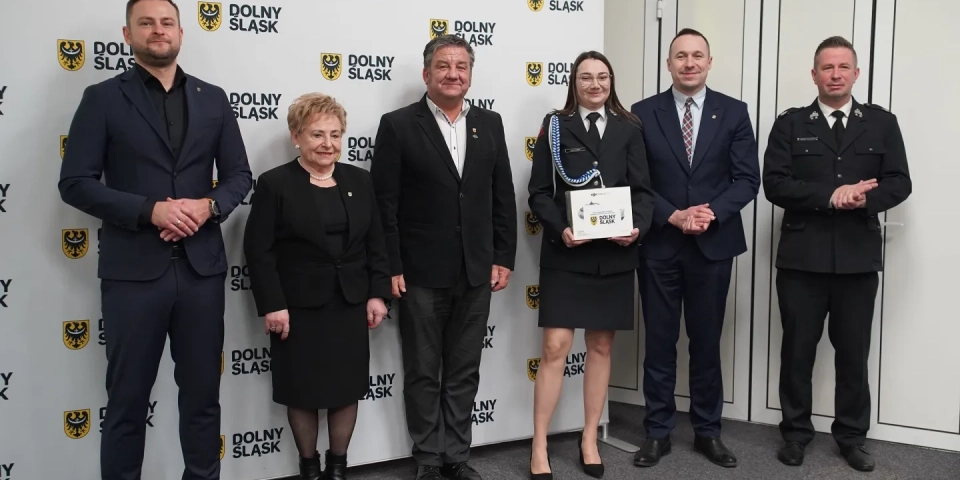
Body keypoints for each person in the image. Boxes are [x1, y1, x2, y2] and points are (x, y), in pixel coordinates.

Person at [57, 1, 253, 479]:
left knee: (203, 400)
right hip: (132, 274)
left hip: (201, 272)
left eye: (167, 23)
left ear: (182, 32)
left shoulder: (213, 99)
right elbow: (75, 183)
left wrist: (207, 206)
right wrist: (151, 210)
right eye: (146, 23)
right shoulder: (102, 98)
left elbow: (239, 176)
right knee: (126, 404)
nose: (158, 30)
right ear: (128, 34)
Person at [370, 34, 517, 480]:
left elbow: (502, 195)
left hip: (476, 270)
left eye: (461, 66)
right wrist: (391, 265)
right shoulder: (398, 125)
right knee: (422, 371)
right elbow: (384, 205)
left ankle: (456, 456)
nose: (453, 74)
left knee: (464, 370)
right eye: (443, 66)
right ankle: (428, 460)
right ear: (426, 73)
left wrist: (503, 256)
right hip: (418, 272)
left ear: (470, 74)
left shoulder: (489, 123)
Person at [762, 35, 911, 472]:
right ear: (814, 74)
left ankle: (851, 437)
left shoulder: (881, 123)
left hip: (857, 260)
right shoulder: (790, 124)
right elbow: (774, 184)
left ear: (856, 73)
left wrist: (863, 199)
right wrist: (831, 195)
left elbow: (899, 181)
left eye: (843, 67)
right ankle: (795, 434)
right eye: (827, 67)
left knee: (853, 355)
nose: (835, 74)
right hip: (801, 260)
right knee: (797, 353)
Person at [628, 28, 760, 469]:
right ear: (668, 64)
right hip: (660, 245)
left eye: (697, 55)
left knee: (706, 343)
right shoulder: (642, 113)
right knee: (659, 343)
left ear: (709, 62)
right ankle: (657, 432)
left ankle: (708, 431)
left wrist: (709, 214)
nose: (689, 63)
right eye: (681, 56)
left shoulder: (734, 112)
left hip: (713, 245)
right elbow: (635, 180)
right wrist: (673, 216)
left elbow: (747, 178)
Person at [243, 93, 391, 480]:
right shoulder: (275, 183)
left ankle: (337, 469)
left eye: (335, 134)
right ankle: (309, 468)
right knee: (302, 391)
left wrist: (377, 294)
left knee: (346, 389)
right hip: (297, 309)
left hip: (349, 304)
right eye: (317, 135)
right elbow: (259, 251)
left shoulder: (359, 179)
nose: (328, 144)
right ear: (296, 137)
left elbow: (377, 242)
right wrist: (273, 304)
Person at [526, 51, 655, 480]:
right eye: (586, 77)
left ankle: (588, 438)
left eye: (602, 77)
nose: (595, 84)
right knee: (554, 348)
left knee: (600, 348)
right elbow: (539, 192)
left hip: (614, 255)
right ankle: (539, 444)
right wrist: (561, 228)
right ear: (574, 83)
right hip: (567, 253)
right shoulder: (556, 126)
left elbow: (643, 191)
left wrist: (637, 227)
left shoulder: (630, 128)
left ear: (611, 81)